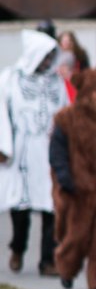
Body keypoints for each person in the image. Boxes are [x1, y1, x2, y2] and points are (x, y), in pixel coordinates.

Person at [1, 30, 67, 276]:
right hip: (23, 149)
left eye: (51, 57)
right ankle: (18, 248)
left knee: (52, 206)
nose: (48, 62)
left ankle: (48, 259)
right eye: (44, 56)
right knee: (21, 205)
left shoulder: (56, 82)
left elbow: (65, 112)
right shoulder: (10, 78)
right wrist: (3, 146)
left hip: (49, 150)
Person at [48, 69, 96, 289]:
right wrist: (64, 177)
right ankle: (67, 267)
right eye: (95, 91)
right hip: (77, 187)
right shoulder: (66, 118)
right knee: (76, 234)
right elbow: (57, 152)